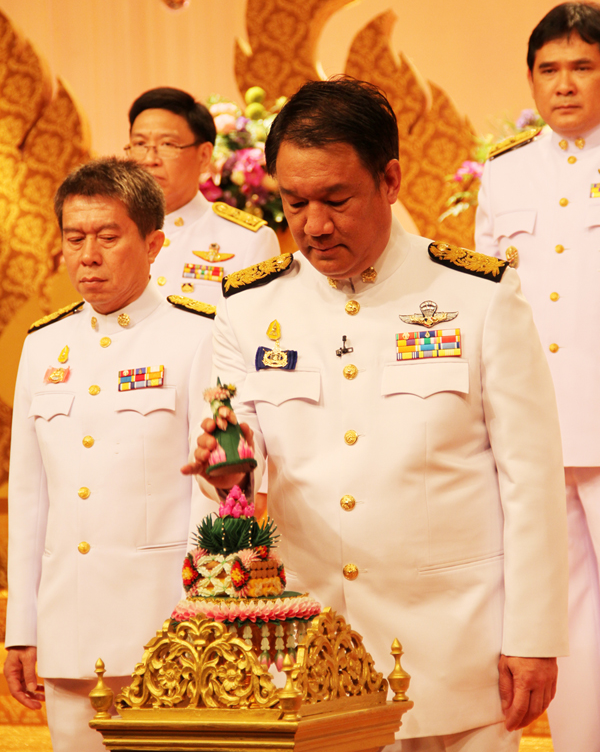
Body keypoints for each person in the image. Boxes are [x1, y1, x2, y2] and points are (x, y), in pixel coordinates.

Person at [186, 76, 569, 752]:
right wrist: (228, 471)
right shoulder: (248, 310)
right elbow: (240, 465)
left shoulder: (478, 297)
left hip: (457, 652)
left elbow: (531, 480)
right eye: (295, 202)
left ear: (389, 180)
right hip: (310, 655)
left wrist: (534, 637)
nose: (314, 225)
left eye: (336, 199)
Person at [4, 159, 215, 752]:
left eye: (107, 237)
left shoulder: (197, 336)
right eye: (75, 238)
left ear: (153, 244)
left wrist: (203, 617)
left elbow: (214, 493)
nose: (88, 256)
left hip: (166, 627)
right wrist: (22, 627)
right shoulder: (43, 345)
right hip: (68, 628)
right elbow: (29, 497)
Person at [475, 0, 600, 752]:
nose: (564, 84)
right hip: (538, 428)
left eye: (583, 67)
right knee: (565, 610)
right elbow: (490, 300)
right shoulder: (505, 173)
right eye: (549, 69)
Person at [126, 87, 280, 304]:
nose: (150, 159)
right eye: (140, 144)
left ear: (204, 156)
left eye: (167, 144)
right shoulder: (109, 233)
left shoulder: (249, 240)